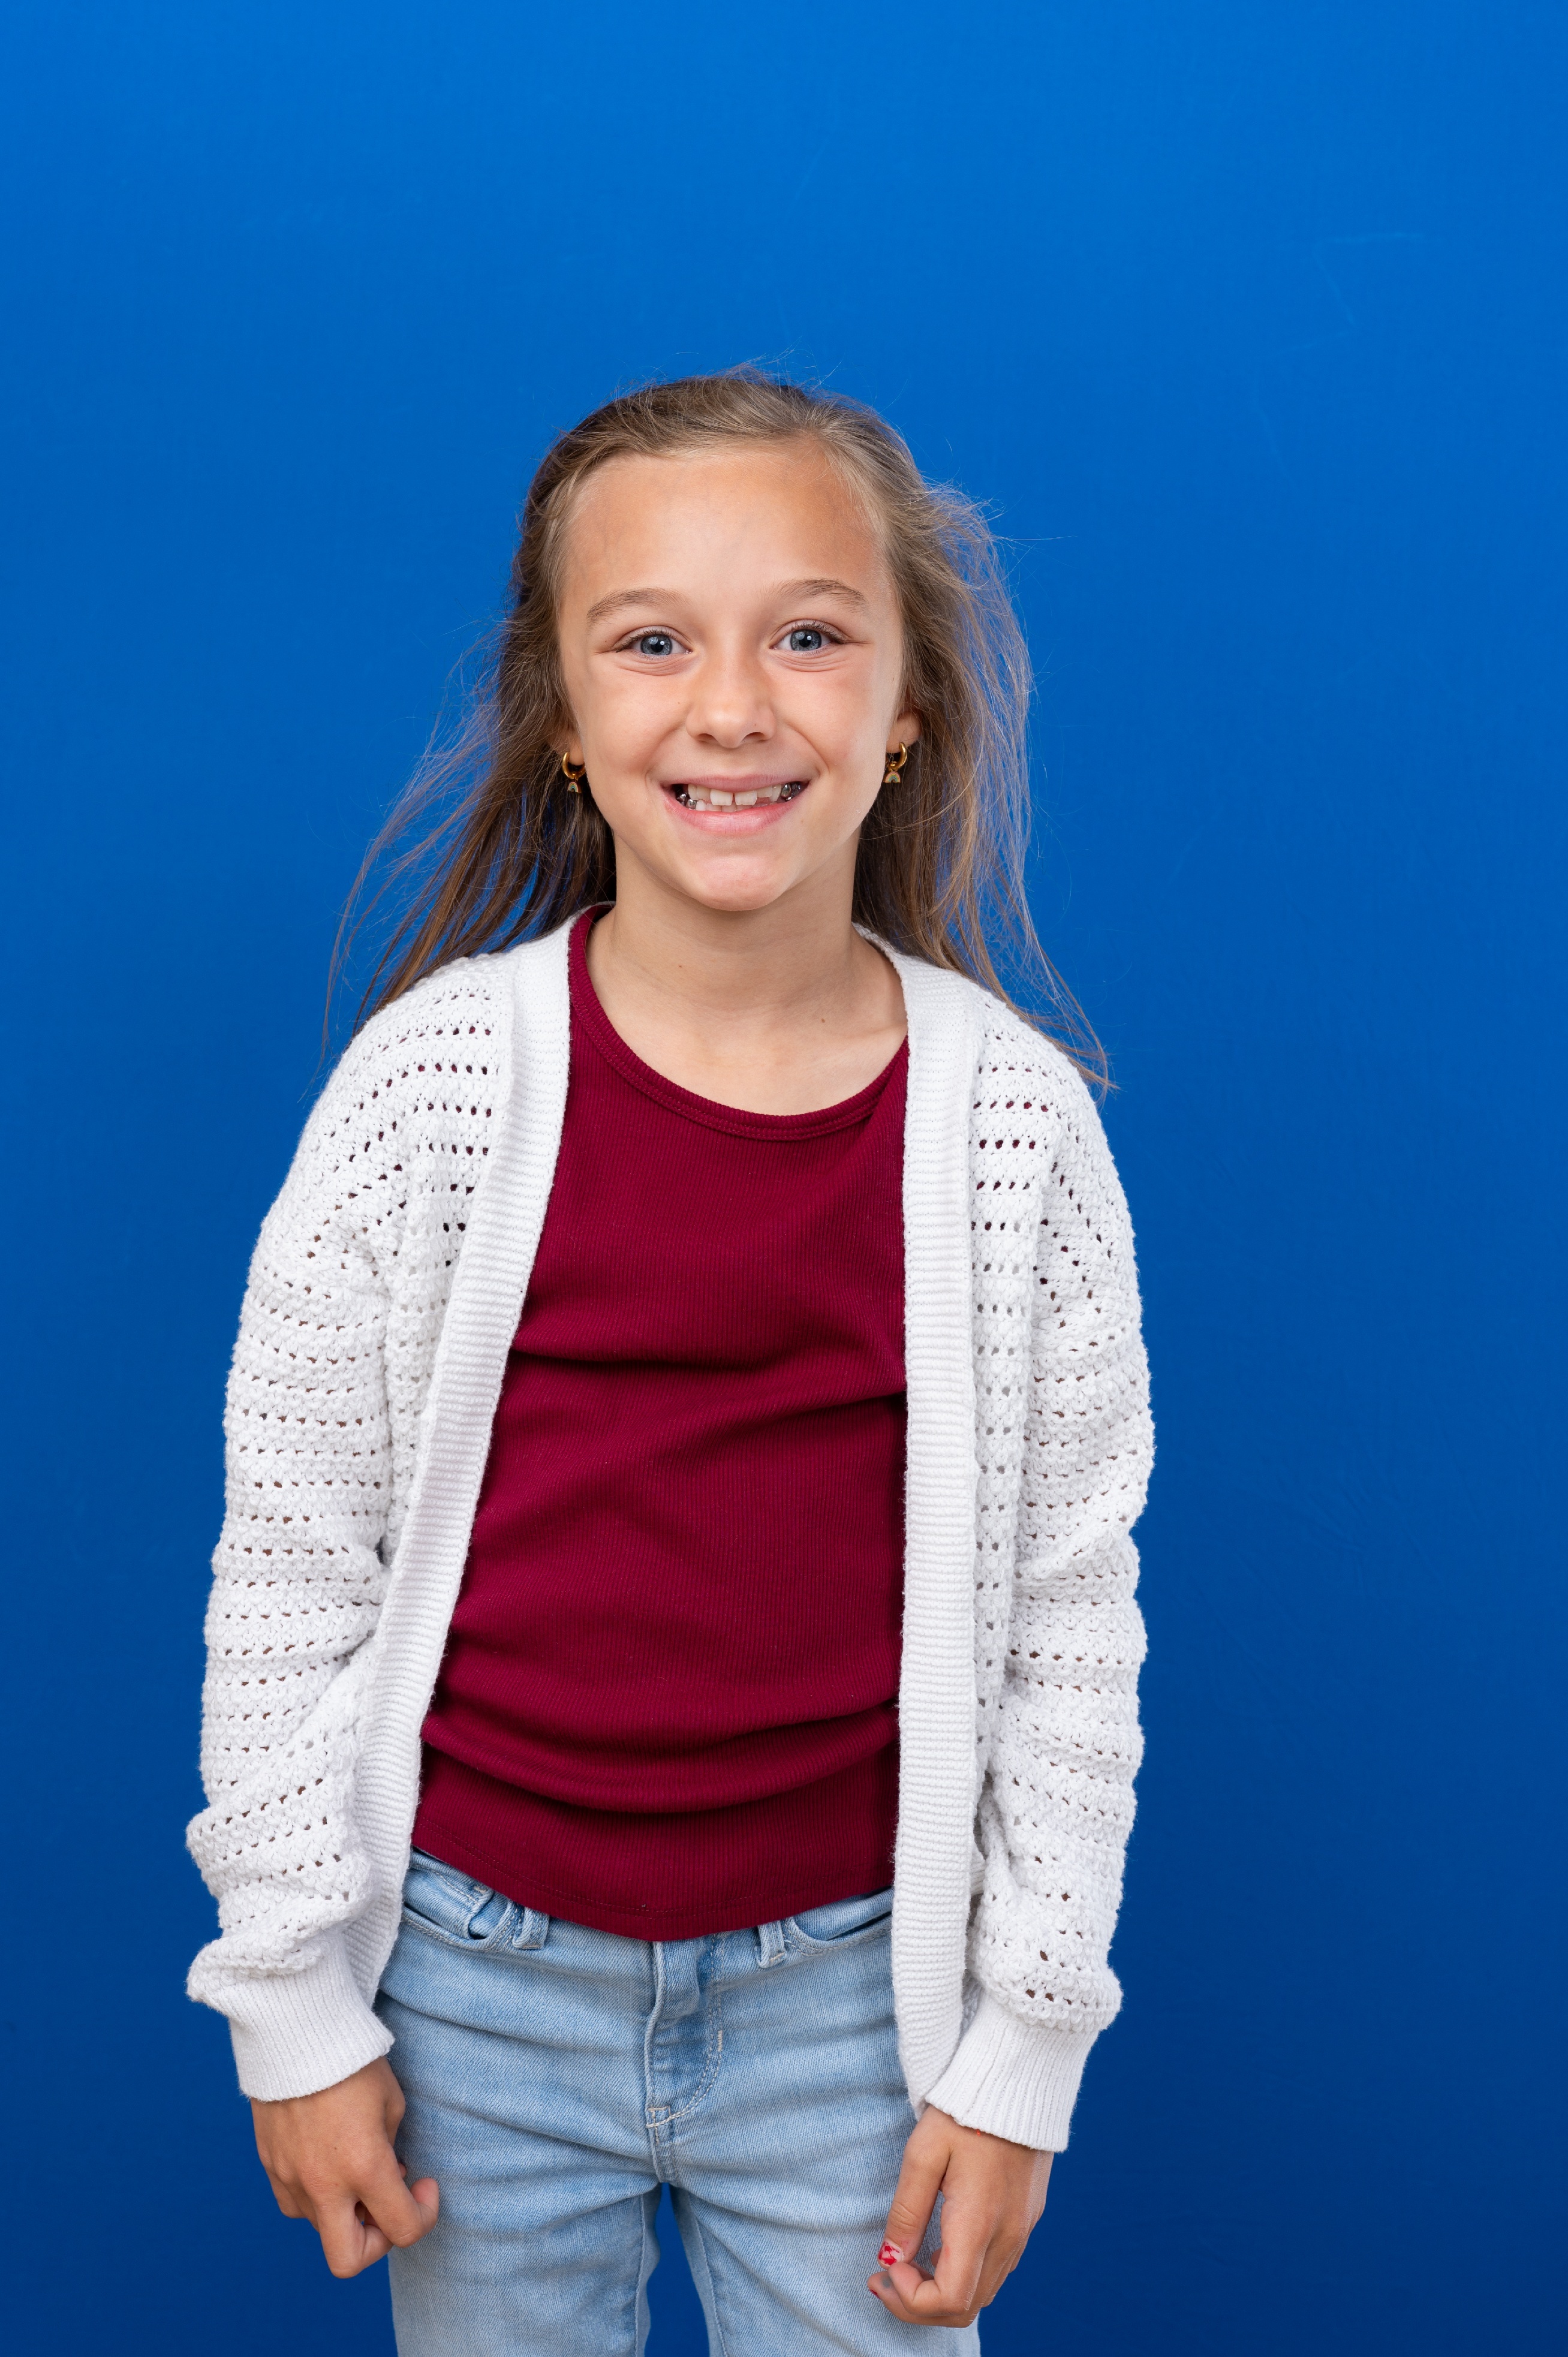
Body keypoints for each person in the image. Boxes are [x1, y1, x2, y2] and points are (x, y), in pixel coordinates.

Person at [186, 369, 1154, 2355]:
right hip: (470, 1997)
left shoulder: (1014, 1127)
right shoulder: (429, 1094)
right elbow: (292, 1569)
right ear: (561, 711)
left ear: (907, 705)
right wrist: (292, 1994)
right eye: (651, 642)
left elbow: (1070, 1613)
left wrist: (1024, 2047)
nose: (732, 706)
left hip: (858, 2010)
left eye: (809, 635)